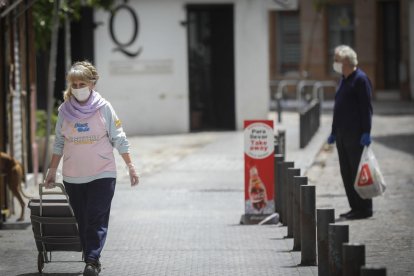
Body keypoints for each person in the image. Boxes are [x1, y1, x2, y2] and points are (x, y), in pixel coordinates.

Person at [44, 61, 139, 276]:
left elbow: (119, 138)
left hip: (102, 174)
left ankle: (92, 260)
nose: (78, 88)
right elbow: (59, 142)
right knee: (83, 219)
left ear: (92, 84)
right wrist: (52, 171)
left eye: (82, 83)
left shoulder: (103, 108)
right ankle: (92, 258)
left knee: (96, 217)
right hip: (73, 176)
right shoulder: (64, 110)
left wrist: (130, 166)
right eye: (74, 84)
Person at [327, 45, 373, 220]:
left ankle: (364, 208)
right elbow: (338, 109)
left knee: (358, 173)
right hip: (341, 135)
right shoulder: (343, 79)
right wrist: (333, 131)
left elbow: (366, 108)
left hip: (356, 135)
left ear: (346, 62)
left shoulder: (360, 80)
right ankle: (354, 207)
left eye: (337, 60)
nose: (335, 63)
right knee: (346, 173)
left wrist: (366, 132)